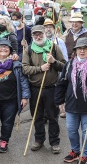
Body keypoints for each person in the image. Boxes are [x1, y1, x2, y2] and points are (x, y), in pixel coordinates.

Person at [22, 25, 65, 154]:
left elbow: (64, 66)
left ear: (44, 34)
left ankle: (54, 142)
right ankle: (39, 140)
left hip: (52, 89)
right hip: (35, 88)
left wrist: (54, 61)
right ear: (32, 36)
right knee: (37, 116)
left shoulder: (53, 47)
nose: (38, 36)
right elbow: (24, 68)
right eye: (35, 35)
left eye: (40, 34)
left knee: (53, 117)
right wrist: (40, 68)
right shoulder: (28, 50)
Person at [44, 18, 68, 118]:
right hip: (43, 74)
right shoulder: (39, 41)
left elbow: (65, 60)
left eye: (50, 27)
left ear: (54, 29)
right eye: (46, 27)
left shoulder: (59, 42)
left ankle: (55, 113)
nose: (48, 29)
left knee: (55, 95)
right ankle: (45, 115)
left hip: (56, 74)